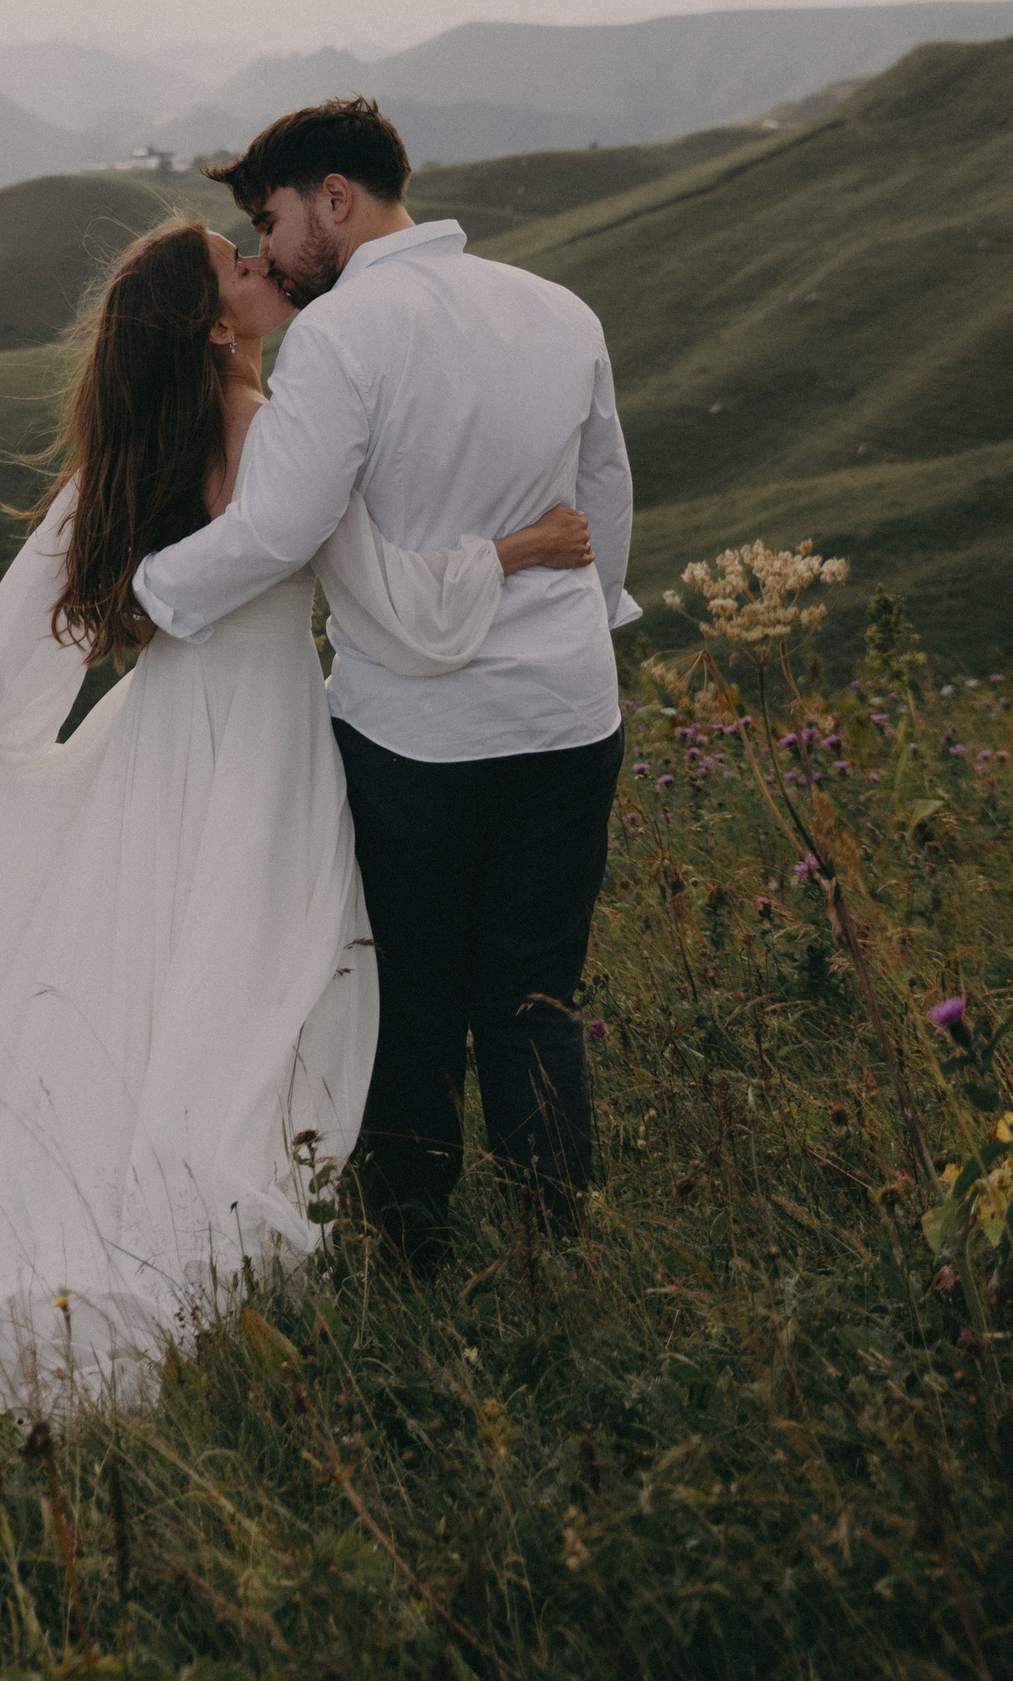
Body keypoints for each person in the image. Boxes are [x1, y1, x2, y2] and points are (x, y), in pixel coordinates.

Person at [0, 215, 590, 1407]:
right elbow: (391, 599)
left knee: (137, 962)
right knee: (251, 961)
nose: (263, 265)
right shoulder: (275, 431)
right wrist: (519, 547)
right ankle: (232, 1191)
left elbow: (55, 561)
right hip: (264, 734)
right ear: (213, 324)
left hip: (163, 728)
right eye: (239, 266)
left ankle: (143, 1181)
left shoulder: (155, 437)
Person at [132, 97, 638, 1271]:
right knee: (534, 992)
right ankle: (554, 1252)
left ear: (335, 197)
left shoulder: (342, 334)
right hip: (569, 716)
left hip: (416, 735)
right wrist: (585, 623)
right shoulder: (557, 307)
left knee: (408, 994)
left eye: (271, 218)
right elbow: (604, 492)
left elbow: (280, 525)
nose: (268, 250)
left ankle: (409, 1253)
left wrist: (148, 589)